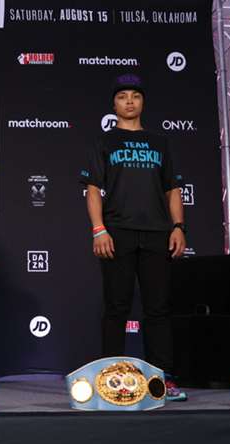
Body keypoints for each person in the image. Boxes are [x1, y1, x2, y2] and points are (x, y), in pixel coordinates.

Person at [79, 74, 187, 401]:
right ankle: (109, 379)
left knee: (158, 309)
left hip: (157, 233)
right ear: (114, 104)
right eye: (123, 96)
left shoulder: (160, 142)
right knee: (116, 308)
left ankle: (161, 380)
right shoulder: (103, 142)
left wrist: (178, 226)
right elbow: (93, 189)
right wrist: (99, 229)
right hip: (117, 233)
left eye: (135, 96)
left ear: (143, 102)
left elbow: (173, 189)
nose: (129, 101)